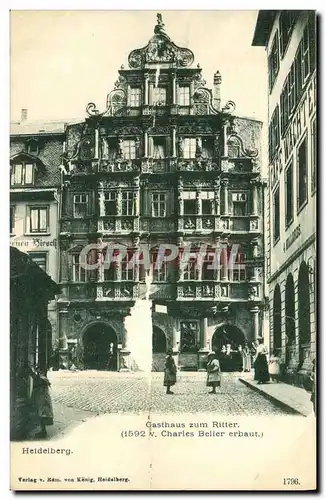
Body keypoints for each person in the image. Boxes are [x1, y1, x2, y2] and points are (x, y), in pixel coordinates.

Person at [29, 366, 54, 438]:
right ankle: (43, 431)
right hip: (43, 400)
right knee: (42, 415)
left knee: (42, 415)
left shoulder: (42, 379)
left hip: (43, 400)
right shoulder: (43, 378)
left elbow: (36, 379)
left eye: (39, 370)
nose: (38, 372)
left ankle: (43, 432)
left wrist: (31, 372)